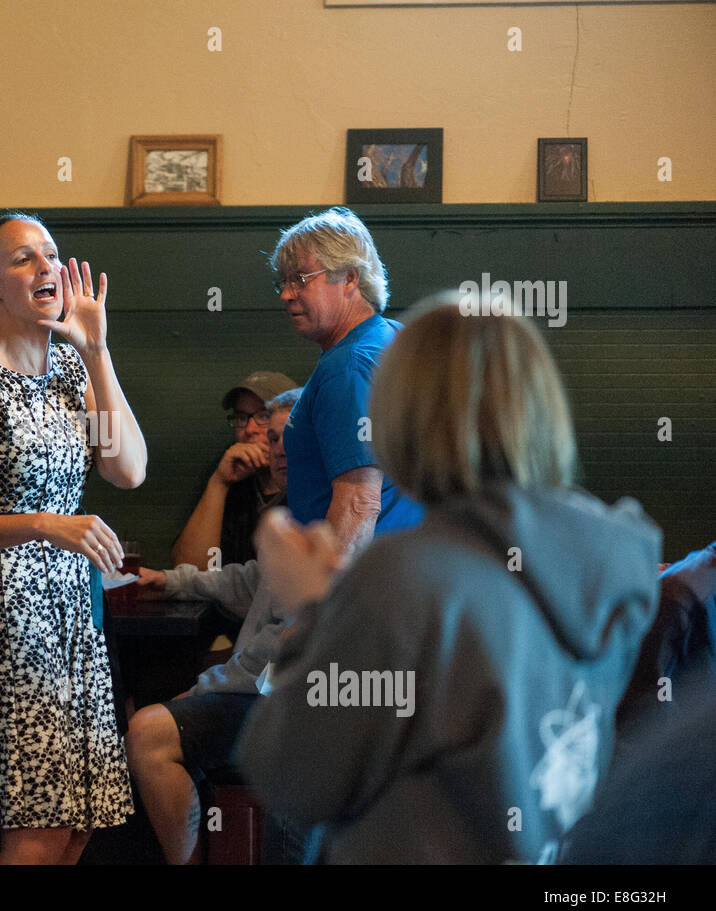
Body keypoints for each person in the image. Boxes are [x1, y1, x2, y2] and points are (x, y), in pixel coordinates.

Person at [239, 298, 661, 864]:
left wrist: (317, 607)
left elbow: (288, 776)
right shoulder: (614, 557)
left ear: (401, 419)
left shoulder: (402, 581)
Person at [0, 213, 147, 865]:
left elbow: (127, 469)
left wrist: (97, 351)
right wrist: (45, 524)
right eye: (22, 259)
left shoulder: (72, 368)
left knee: (75, 825)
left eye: (51, 254)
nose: (44, 267)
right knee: (37, 827)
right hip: (3, 617)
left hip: (71, 613)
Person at [128, 389, 301, 864]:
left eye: (291, 437)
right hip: (259, 693)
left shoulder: (328, 517)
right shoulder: (294, 507)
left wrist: (208, 686)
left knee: (147, 732)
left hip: (285, 705)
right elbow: (250, 582)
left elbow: (286, 642)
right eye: (274, 437)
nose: (280, 448)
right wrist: (169, 581)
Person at [271, 206, 422, 555]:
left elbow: (358, 505)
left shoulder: (348, 366)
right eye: (283, 281)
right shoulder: (397, 339)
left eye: (300, 279)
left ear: (350, 278)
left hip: (368, 589)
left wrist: (324, 606)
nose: (286, 294)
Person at [171, 372, 296, 570]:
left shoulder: (315, 487)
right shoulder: (235, 489)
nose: (249, 429)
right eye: (241, 418)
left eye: (264, 416)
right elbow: (191, 570)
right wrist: (219, 483)